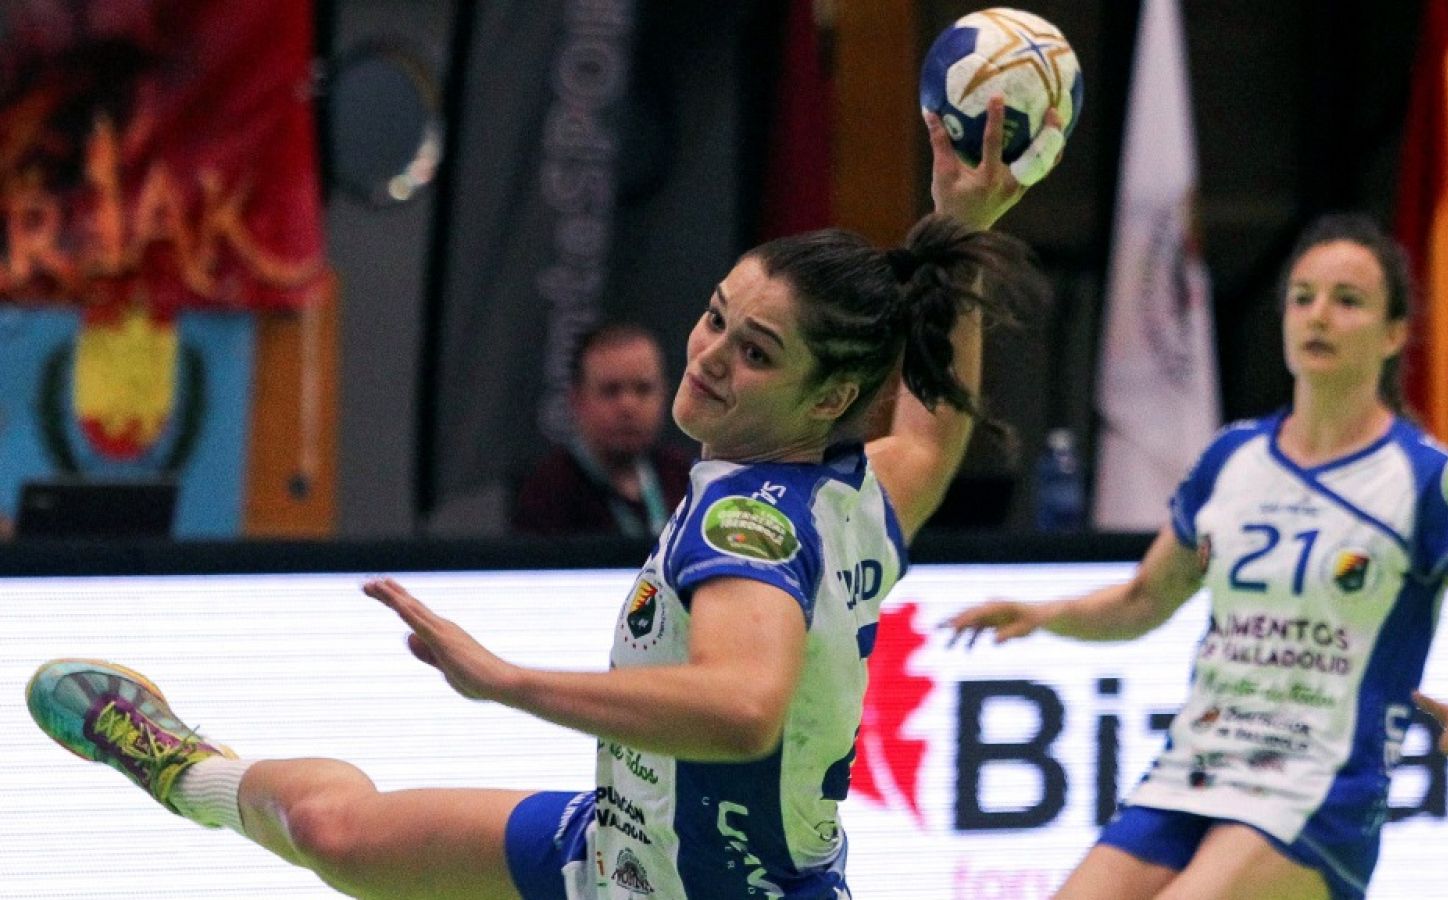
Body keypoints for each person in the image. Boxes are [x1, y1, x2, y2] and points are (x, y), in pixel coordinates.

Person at [27, 96, 1063, 899]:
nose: (707, 359)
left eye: (755, 354)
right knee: (336, 834)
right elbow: (932, 430)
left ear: (829, 396)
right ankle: (179, 761)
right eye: (714, 320)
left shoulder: (747, 522)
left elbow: (743, 708)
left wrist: (507, 681)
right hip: (616, 847)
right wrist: (957, 228)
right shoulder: (860, 492)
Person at [948, 212, 1448, 900]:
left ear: (1394, 334)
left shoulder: (1427, 480)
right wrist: (1044, 613)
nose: (1318, 316)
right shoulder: (1231, 457)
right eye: (1303, 297)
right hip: (1196, 766)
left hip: (1320, 788)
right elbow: (1146, 600)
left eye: (1347, 301)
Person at [510, 322, 693, 537]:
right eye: (610, 390)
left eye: (643, 389)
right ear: (576, 401)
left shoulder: (686, 478)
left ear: (664, 395)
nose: (628, 406)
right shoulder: (546, 495)